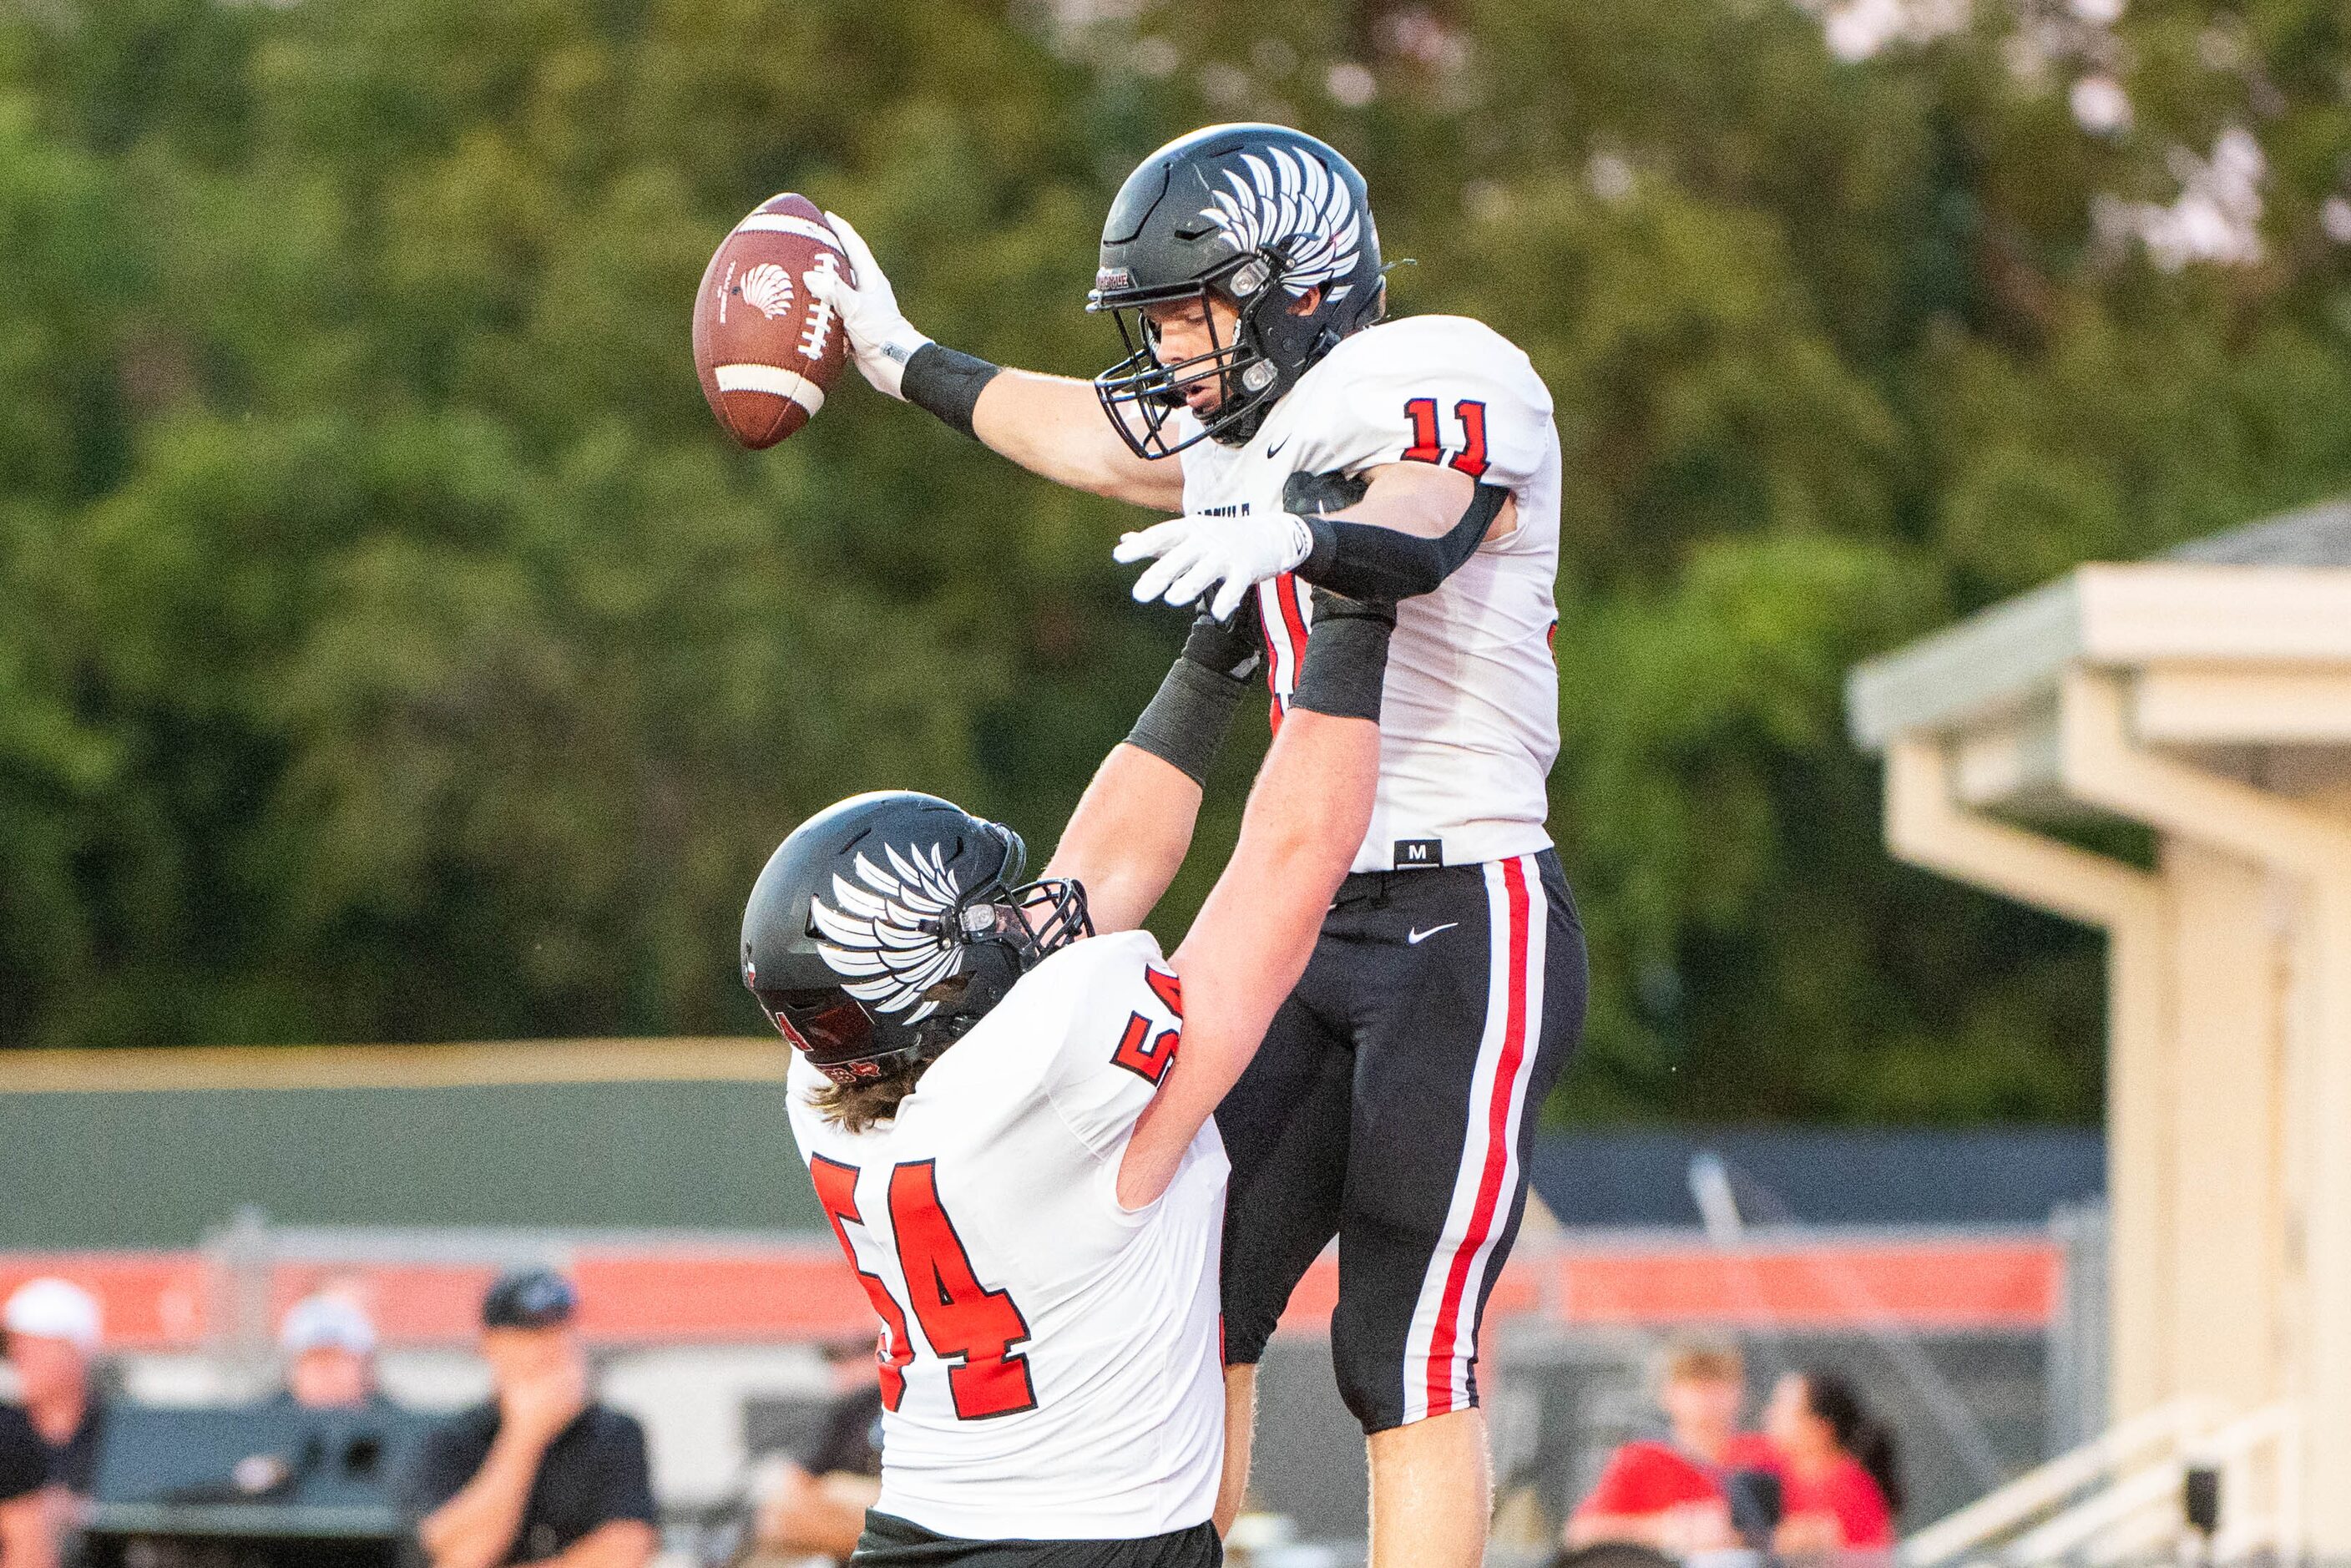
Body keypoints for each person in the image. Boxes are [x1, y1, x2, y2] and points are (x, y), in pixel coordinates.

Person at [809, 119, 1585, 1568]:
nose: (1168, 355)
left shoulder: (1433, 373)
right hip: (1301, 920)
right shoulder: (1248, 438)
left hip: (1464, 913)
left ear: (1299, 285)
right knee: (1198, 1299)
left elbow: (1421, 515)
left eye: (1187, 314)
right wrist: (899, 356)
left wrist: (1309, 541)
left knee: (1400, 1343)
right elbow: (1084, 441)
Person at [742, 584, 1395, 1562]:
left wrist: (1210, 662)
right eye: (987, 915)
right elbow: (1291, 867)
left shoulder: (832, 1091)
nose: (1020, 917)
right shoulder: (1045, 1083)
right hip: (1087, 1542)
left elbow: (1095, 876)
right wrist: (1354, 617)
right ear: (932, 979)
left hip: (920, 1531)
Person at [404, 1269, 658, 1568]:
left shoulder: (615, 1433)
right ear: (492, 1342)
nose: (552, 1346)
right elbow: (462, 1554)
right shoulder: (449, 1439)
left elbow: (624, 1554)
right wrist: (524, 1437)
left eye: (560, 1329)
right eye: (532, 1333)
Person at [1565, 1340, 1773, 1555]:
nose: (1706, 1400)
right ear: (1669, 1393)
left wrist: (1740, 1534)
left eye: (1717, 1385)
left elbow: (1802, 1523)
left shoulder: (1763, 1457)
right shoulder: (1643, 1460)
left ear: (1740, 1391)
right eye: (1694, 1386)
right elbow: (1582, 1533)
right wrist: (1666, 1530)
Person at [751, 1341, 882, 1566]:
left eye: (854, 1357)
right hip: (847, 1531)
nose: (843, 1370)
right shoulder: (849, 1411)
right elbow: (788, 1498)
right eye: (837, 1360)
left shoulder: (922, 1403)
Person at [0, 1278, 103, 1568]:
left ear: (74, 1350)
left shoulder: (121, 1432)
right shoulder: (8, 1431)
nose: (20, 1358)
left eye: (35, 1346)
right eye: (15, 1348)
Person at [1760, 1369, 1898, 1555]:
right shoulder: (1779, 1469)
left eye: (1783, 1408)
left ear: (1820, 1428)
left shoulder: (1849, 1488)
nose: (1771, 1414)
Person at [270, 1292, 391, 1413]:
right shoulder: (261, 1426)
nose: (327, 1372)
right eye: (315, 1359)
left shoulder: (399, 1426)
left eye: (339, 1359)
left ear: (365, 1370)